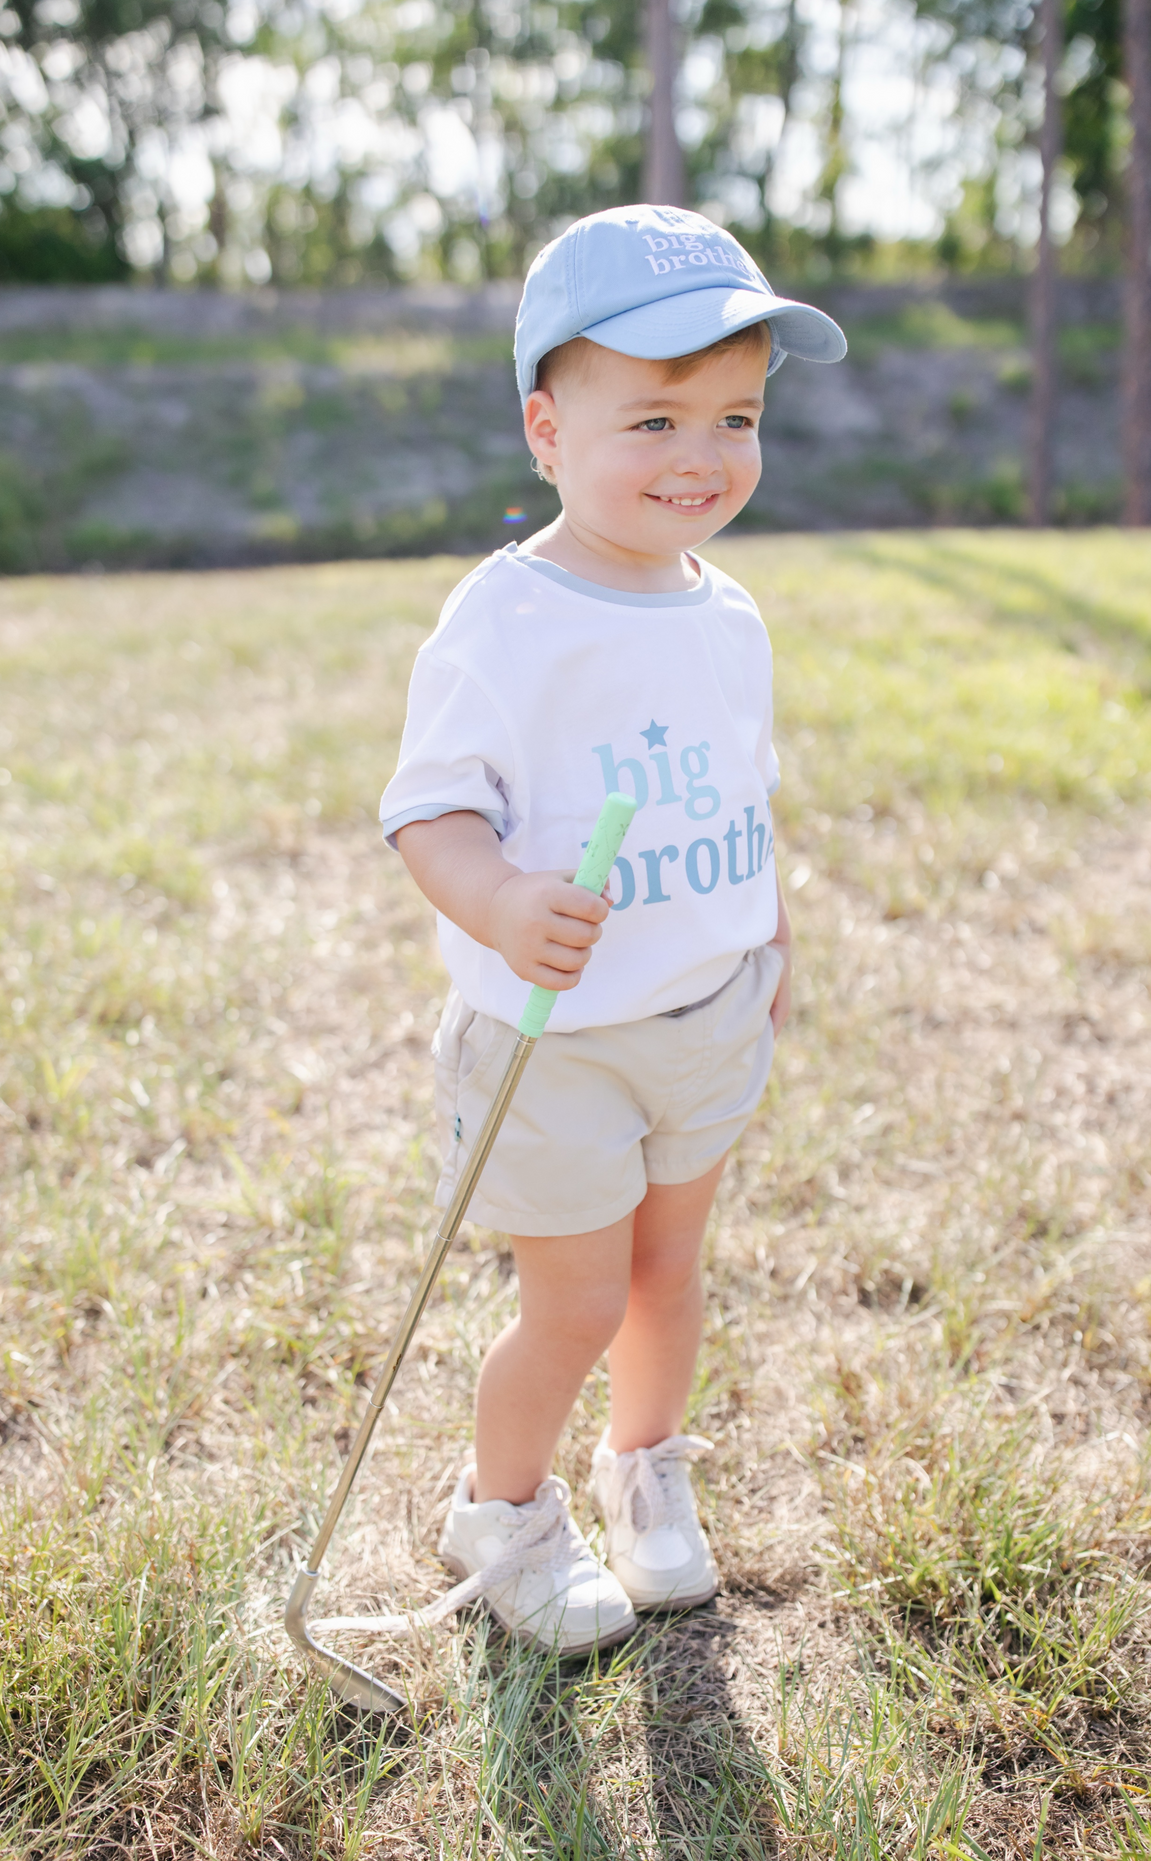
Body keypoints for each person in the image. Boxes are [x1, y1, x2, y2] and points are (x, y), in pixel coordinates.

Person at [380, 204, 846, 1653]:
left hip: (699, 1013)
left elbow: (740, 785)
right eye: (649, 418)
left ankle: (645, 1472)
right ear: (544, 430)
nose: (699, 456)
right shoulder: (507, 616)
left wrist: (765, 929)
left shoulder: (729, 613)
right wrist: (503, 901)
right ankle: (500, 1513)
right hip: (558, 1041)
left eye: (733, 415)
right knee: (572, 1301)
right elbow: (428, 811)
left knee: (668, 1274)